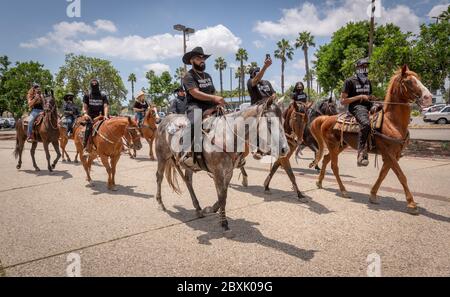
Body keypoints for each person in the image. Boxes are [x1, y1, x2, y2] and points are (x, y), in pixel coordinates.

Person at [182, 46, 224, 169]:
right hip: (194, 105)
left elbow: (213, 91)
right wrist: (213, 98)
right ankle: (188, 153)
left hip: (210, 105)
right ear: (191, 61)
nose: (202, 60)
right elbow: (194, 92)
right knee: (195, 121)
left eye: (203, 58)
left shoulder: (208, 76)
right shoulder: (188, 76)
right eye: (198, 58)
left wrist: (217, 103)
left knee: (229, 120)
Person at [341, 57, 375, 167]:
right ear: (357, 68)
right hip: (356, 107)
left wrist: (371, 99)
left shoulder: (368, 81)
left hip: (368, 105)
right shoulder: (349, 81)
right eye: (362, 66)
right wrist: (360, 96)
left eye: (366, 66)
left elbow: (369, 97)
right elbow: (343, 101)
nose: (365, 68)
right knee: (365, 124)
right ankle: (361, 154)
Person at [247, 56, 276, 159]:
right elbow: (256, 80)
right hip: (257, 106)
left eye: (259, 72)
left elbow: (274, 93)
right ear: (252, 74)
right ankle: (258, 149)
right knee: (260, 122)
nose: (259, 73)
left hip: (269, 105)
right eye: (256, 72)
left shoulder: (267, 82)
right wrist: (265, 66)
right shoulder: (250, 82)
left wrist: (272, 98)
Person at [82, 79, 109, 156]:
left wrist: (106, 115)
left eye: (96, 85)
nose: (94, 86)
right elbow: (84, 107)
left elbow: (106, 106)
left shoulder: (103, 95)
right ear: (91, 86)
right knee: (88, 128)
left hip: (102, 116)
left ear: (98, 85)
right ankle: (85, 147)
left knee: (113, 125)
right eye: (93, 85)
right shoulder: (87, 95)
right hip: (91, 117)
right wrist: (85, 114)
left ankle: (121, 146)